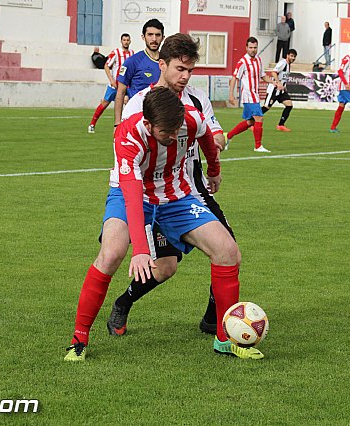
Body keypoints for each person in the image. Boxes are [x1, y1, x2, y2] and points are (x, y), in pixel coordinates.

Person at [64, 86, 263, 362]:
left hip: (175, 196)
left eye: (176, 130)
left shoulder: (191, 119)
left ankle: (224, 339)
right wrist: (141, 250)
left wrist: (214, 171)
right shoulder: (128, 136)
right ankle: (79, 340)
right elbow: (133, 196)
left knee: (228, 251)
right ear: (148, 124)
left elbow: (207, 138)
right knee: (111, 254)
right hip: (129, 195)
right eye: (164, 133)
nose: (173, 136)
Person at [106, 33, 231, 338]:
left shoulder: (198, 99)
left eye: (190, 70)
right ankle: (124, 301)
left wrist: (217, 142)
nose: (185, 77)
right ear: (163, 65)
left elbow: (214, 133)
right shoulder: (140, 103)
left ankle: (216, 321)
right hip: (153, 191)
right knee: (165, 267)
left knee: (227, 246)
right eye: (180, 69)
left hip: (191, 183)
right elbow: (130, 155)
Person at [226, 37, 280, 153]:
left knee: (251, 122)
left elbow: (263, 76)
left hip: (254, 95)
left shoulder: (258, 60)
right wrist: (231, 95)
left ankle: (228, 136)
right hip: (247, 95)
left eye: (255, 48)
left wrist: (273, 82)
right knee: (259, 117)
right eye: (250, 48)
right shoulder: (242, 62)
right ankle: (258, 146)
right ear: (246, 48)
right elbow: (234, 78)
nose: (253, 50)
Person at [114, 19, 164, 125]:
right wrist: (117, 123)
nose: (154, 39)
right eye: (150, 34)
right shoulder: (132, 61)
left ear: (163, 37)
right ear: (143, 37)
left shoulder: (167, 62)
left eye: (157, 35)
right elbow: (120, 92)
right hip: (136, 119)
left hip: (160, 119)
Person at [88, 34, 133, 133]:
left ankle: (126, 128)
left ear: (130, 41)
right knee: (104, 104)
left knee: (129, 104)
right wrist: (112, 80)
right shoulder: (116, 52)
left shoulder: (132, 54)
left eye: (127, 40)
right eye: (124, 40)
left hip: (126, 86)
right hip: (115, 85)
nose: (126, 42)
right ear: (121, 41)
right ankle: (92, 124)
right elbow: (106, 66)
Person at [262, 49, 297, 132]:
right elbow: (273, 72)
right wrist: (278, 83)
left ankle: (281, 125)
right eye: (291, 56)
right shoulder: (283, 63)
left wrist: (284, 86)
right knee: (266, 107)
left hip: (281, 90)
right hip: (274, 89)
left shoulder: (288, 65)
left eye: (294, 56)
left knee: (289, 105)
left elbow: (283, 77)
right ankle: (250, 121)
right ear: (287, 55)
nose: (293, 58)